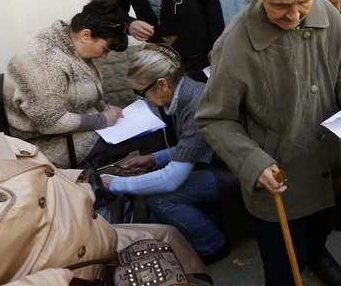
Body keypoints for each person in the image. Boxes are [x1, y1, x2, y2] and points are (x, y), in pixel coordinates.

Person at [195, 0, 341, 286]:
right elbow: (213, 118)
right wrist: (253, 164)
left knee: (322, 224)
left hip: (326, 162)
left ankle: (317, 254)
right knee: (283, 268)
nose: (294, 14)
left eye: (303, 0)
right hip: (277, 178)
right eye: (280, 4)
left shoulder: (328, 16)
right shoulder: (236, 42)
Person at [0, 123, 207, 286]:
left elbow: (38, 170)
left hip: (84, 230)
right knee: (160, 212)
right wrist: (50, 283)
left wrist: (79, 182)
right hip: (64, 272)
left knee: (166, 234)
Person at [100, 42, 239, 264]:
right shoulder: (186, 93)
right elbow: (192, 146)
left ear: (162, 84)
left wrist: (113, 184)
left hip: (237, 174)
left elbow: (171, 179)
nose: (140, 98)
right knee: (158, 217)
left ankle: (213, 246)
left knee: (160, 200)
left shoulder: (195, 105)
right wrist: (154, 158)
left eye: (140, 92)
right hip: (222, 165)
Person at [3, 0, 166, 169]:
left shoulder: (68, 44)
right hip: (51, 146)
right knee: (151, 135)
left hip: (74, 133)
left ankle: (149, 187)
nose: (104, 56)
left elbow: (84, 87)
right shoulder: (44, 62)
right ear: (86, 35)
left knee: (148, 128)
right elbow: (51, 123)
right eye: (105, 49)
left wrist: (103, 107)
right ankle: (160, 194)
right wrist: (102, 119)